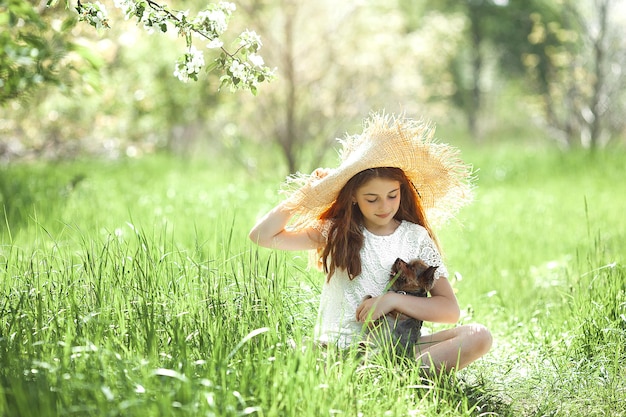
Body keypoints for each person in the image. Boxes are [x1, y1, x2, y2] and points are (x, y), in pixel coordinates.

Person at [249, 112, 492, 373]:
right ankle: (392, 378)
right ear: (353, 197)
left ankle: (395, 376)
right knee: (359, 362)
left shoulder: (415, 237)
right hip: (341, 351)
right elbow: (262, 236)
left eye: (392, 195)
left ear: (402, 190)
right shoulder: (336, 232)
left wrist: (392, 300)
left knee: (480, 336)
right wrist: (306, 194)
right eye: (372, 199)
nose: (384, 206)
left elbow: (449, 310)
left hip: (397, 346)